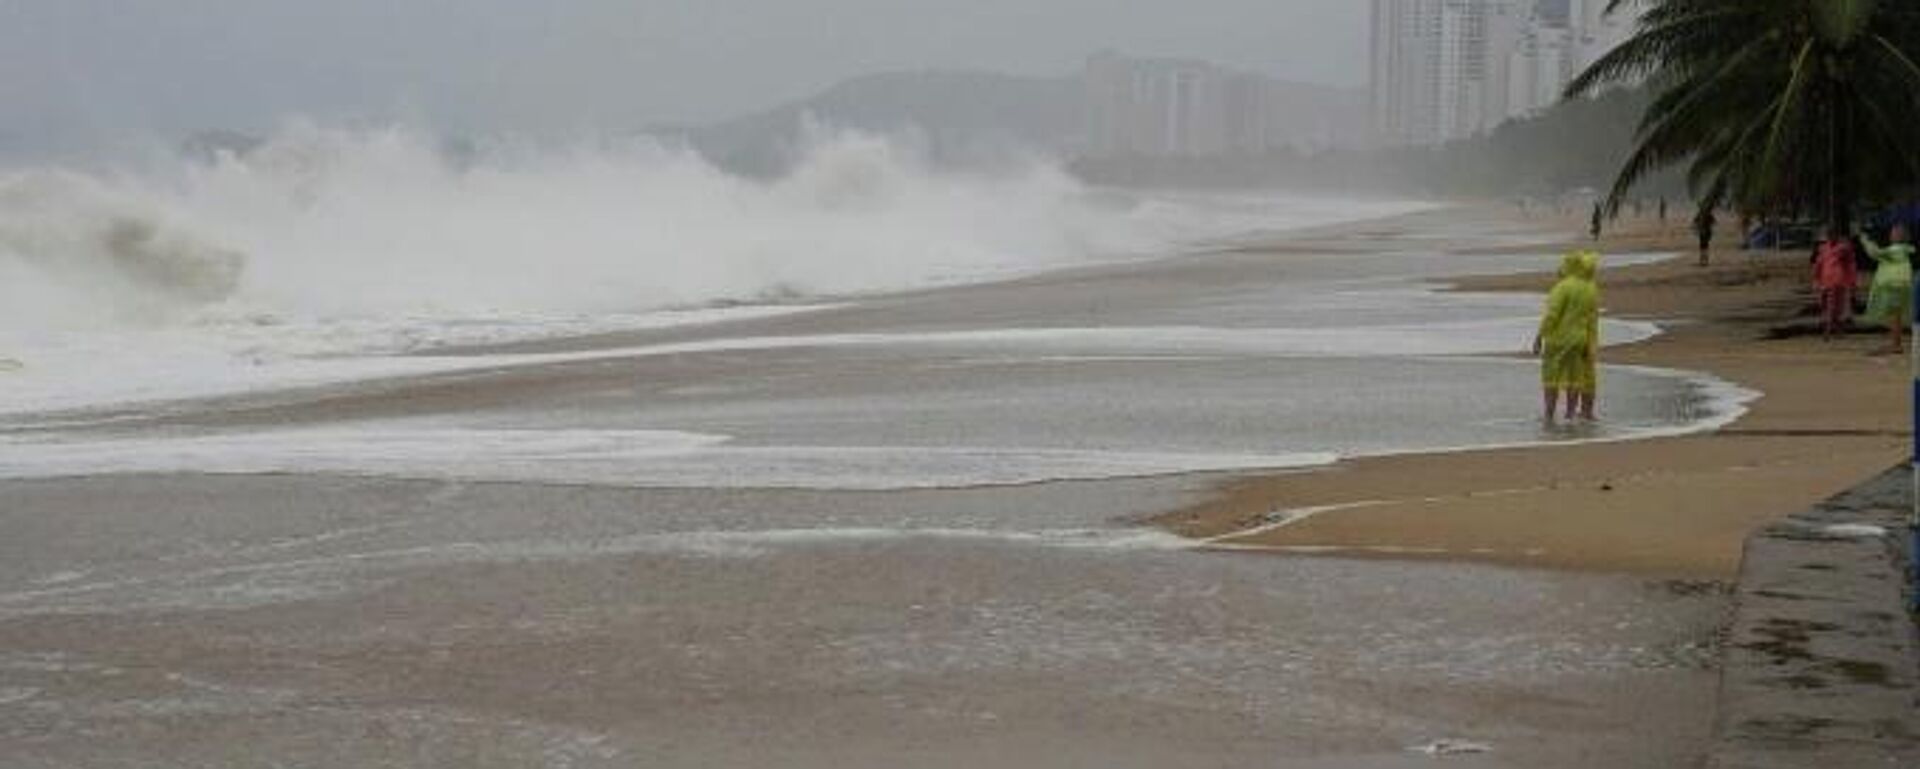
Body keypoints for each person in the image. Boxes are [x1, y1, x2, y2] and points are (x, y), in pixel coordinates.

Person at [1532, 251, 1602, 423]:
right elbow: (1593, 320)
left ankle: (1549, 414)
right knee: (1575, 377)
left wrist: (1539, 335)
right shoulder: (1591, 289)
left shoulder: (1562, 287)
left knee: (1551, 376)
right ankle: (1570, 414)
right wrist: (1592, 344)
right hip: (1580, 339)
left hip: (1558, 338)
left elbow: (1552, 315)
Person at [1860, 223, 1916, 354]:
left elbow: (1875, 253)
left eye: (1894, 233)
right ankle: (1896, 342)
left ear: (1899, 236)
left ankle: (1896, 344)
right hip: (1900, 284)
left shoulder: (1896, 249)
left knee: (1894, 314)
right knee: (1895, 314)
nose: (1891, 235)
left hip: (1894, 284)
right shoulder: (1902, 249)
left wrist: (1866, 241)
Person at [1812, 229, 1858, 340]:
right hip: (1826, 280)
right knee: (1826, 305)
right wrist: (1816, 280)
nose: (1831, 238)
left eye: (1833, 235)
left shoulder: (1843, 248)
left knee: (1834, 306)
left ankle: (1828, 330)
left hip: (1837, 280)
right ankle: (1836, 330)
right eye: (1829, 236)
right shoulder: (1823, 249)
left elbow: (1850, 262)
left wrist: (1852, 280)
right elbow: (1818, 264)